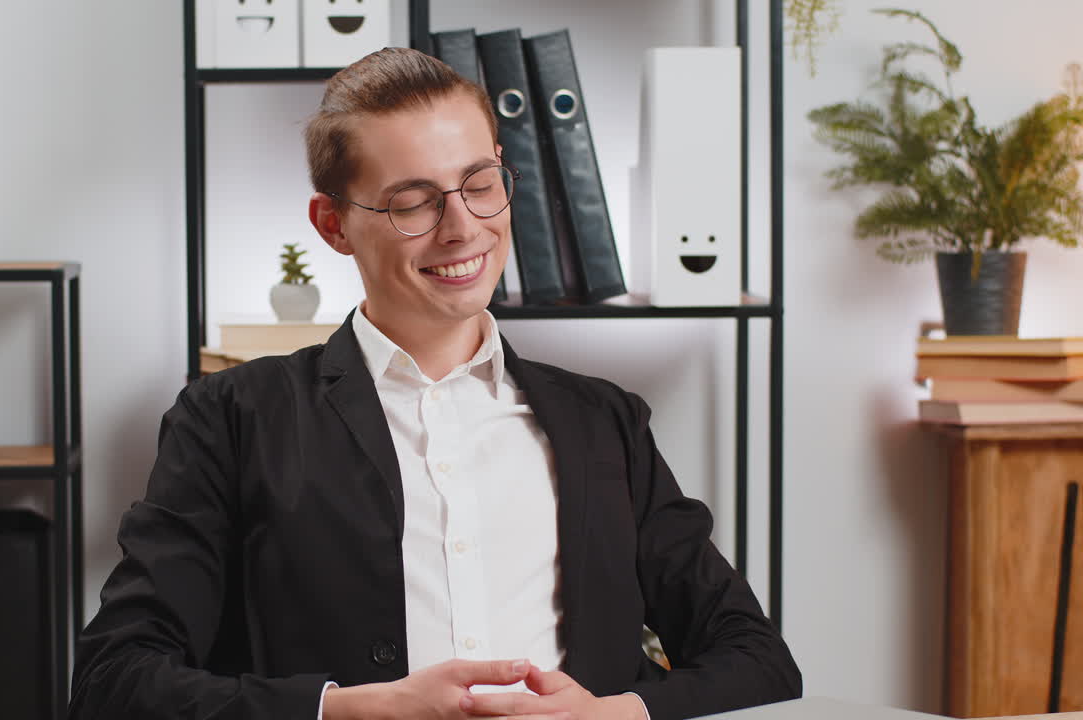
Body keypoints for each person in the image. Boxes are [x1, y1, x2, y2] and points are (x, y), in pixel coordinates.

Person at [70, 47, 801, 720]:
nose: (462, 228)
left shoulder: (602, 421)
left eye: (480, 184)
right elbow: (114, 677)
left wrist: (617, 714)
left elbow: (758, 659)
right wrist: (353, 710)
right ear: (333, 224)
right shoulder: (231, 419)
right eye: (414, 202)